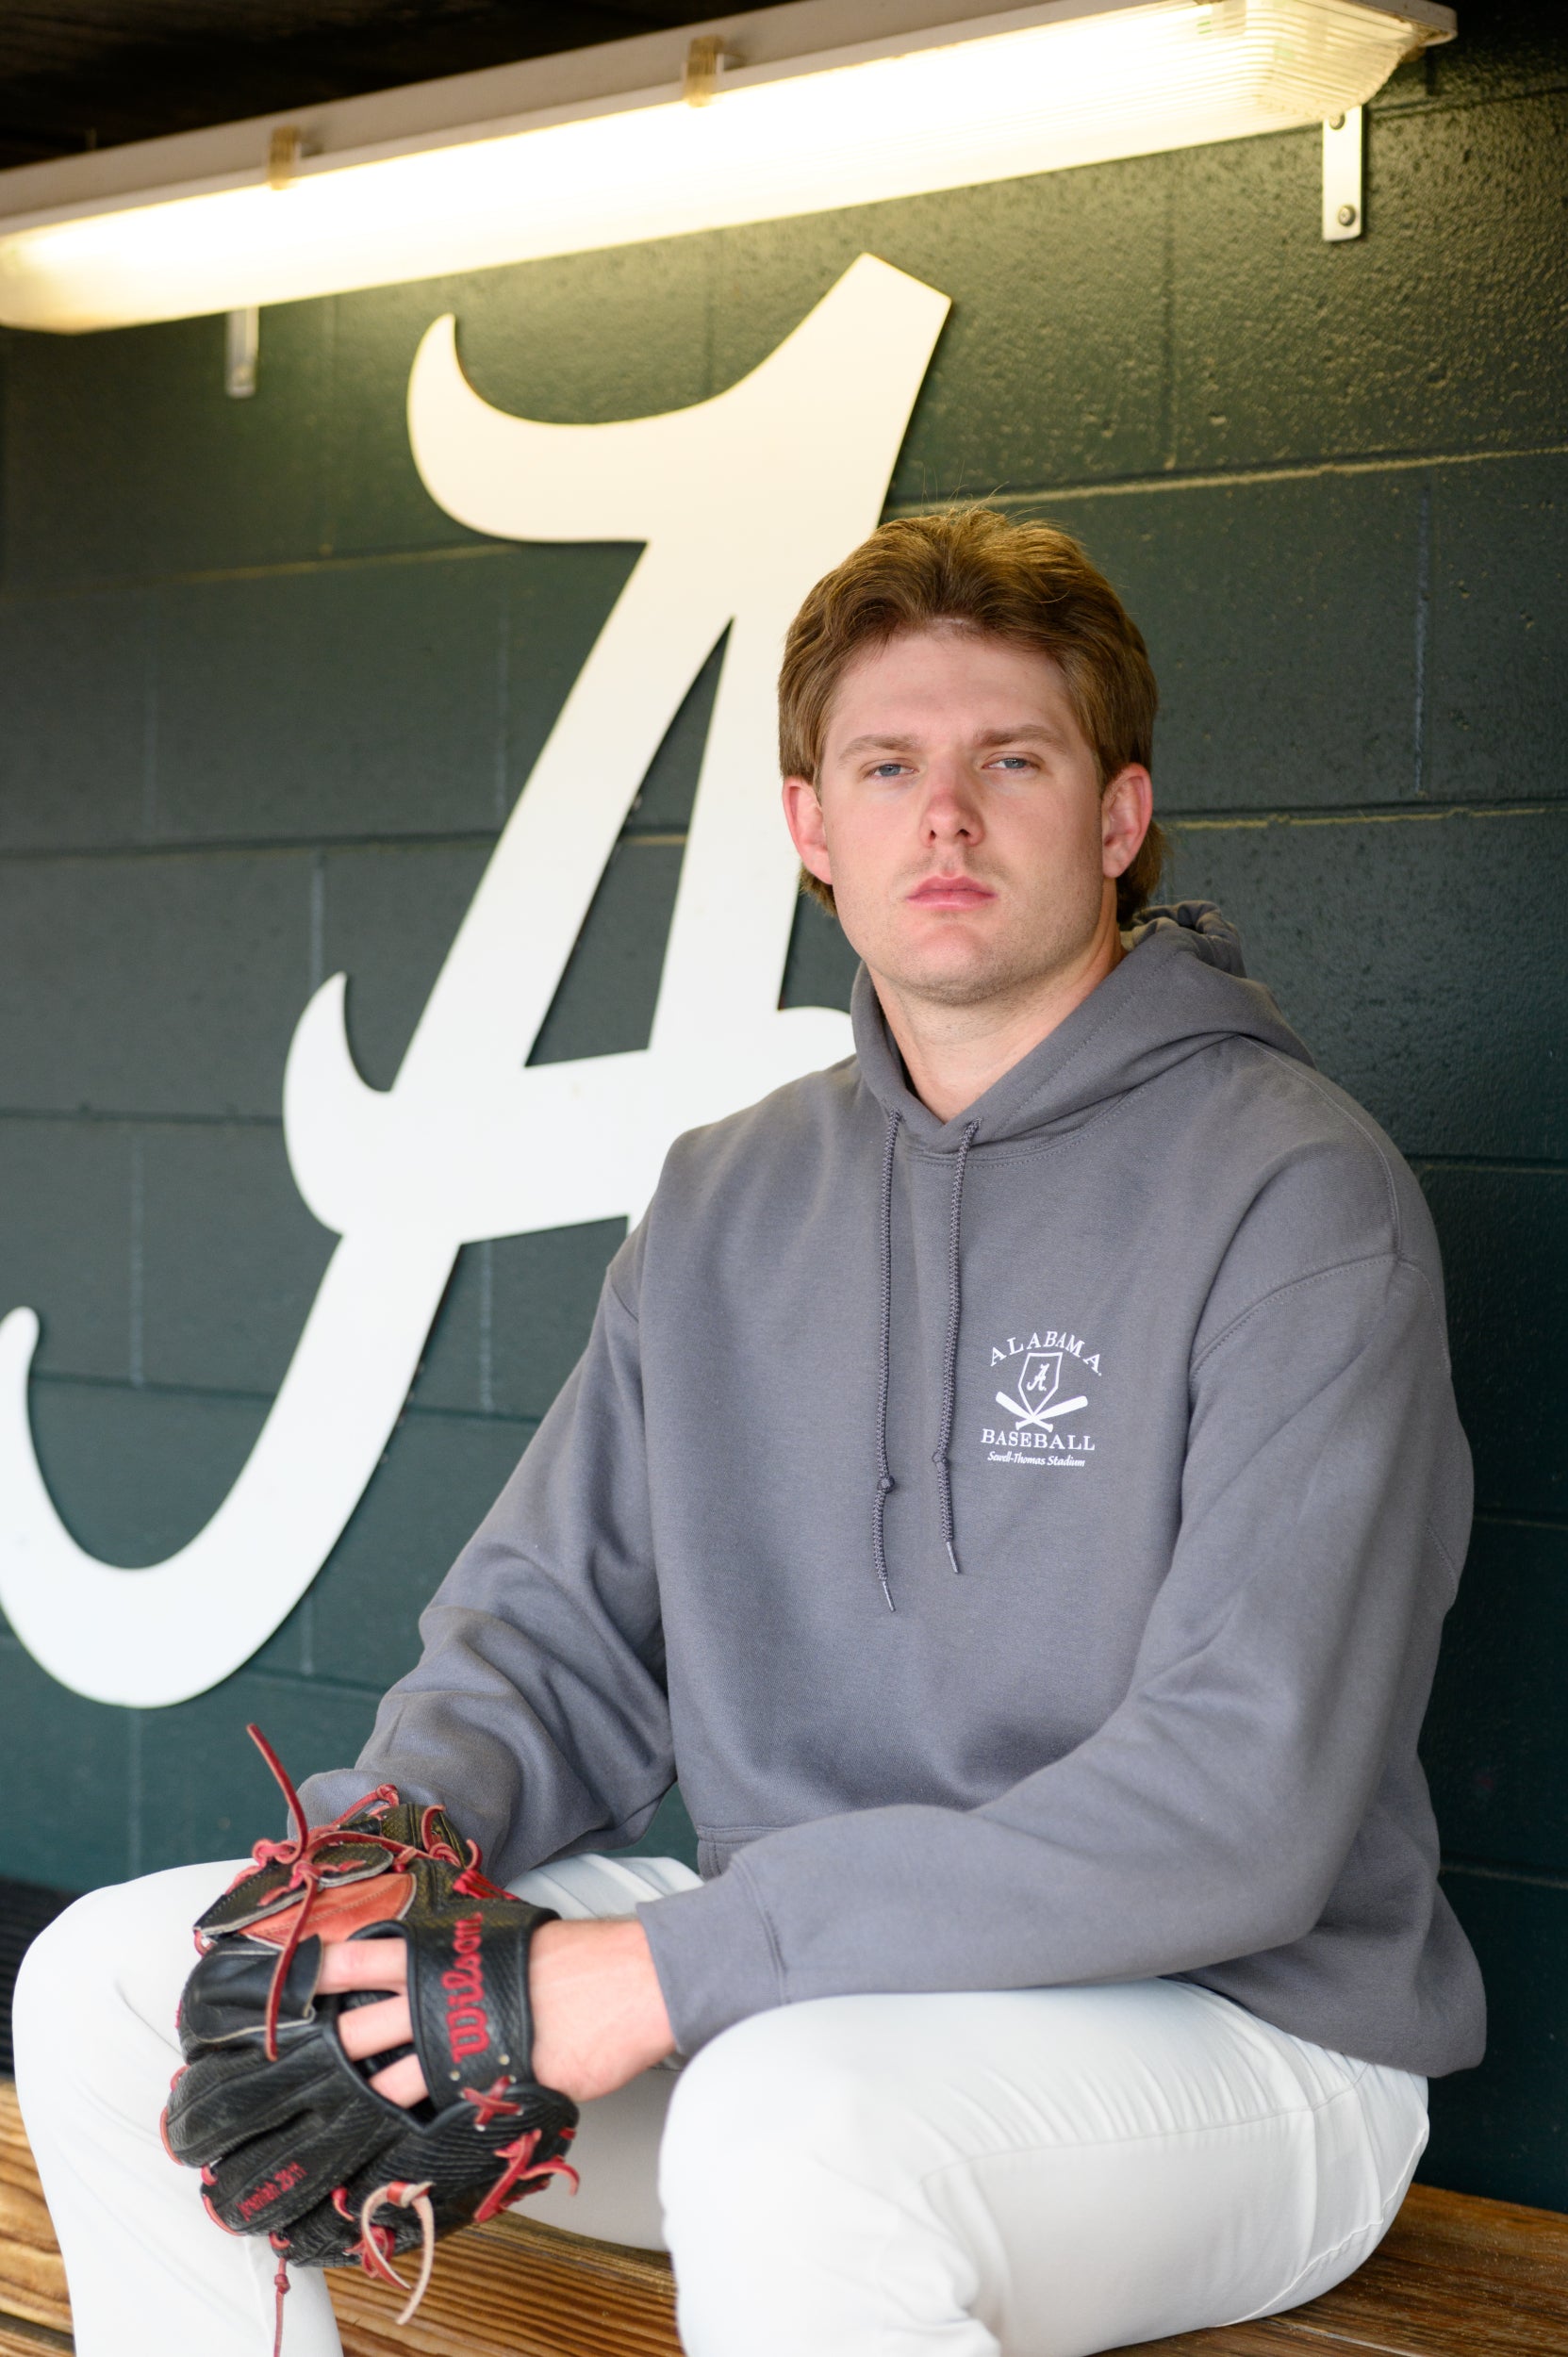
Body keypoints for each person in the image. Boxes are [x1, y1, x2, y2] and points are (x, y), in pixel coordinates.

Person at [15, 508, 1484, 2357]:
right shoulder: (727, 1195)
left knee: (787, 2126)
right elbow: (554, 1638)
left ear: (1118, 816)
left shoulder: (1295, 1193)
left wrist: (652, 1969)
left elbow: (1237, 1805)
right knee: (127, 1989)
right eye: (887, 767)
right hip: (800, 1991)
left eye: (1009, 761)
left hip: (1240, 2034)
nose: (943, 820)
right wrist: (394, 1838)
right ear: (811, 827)